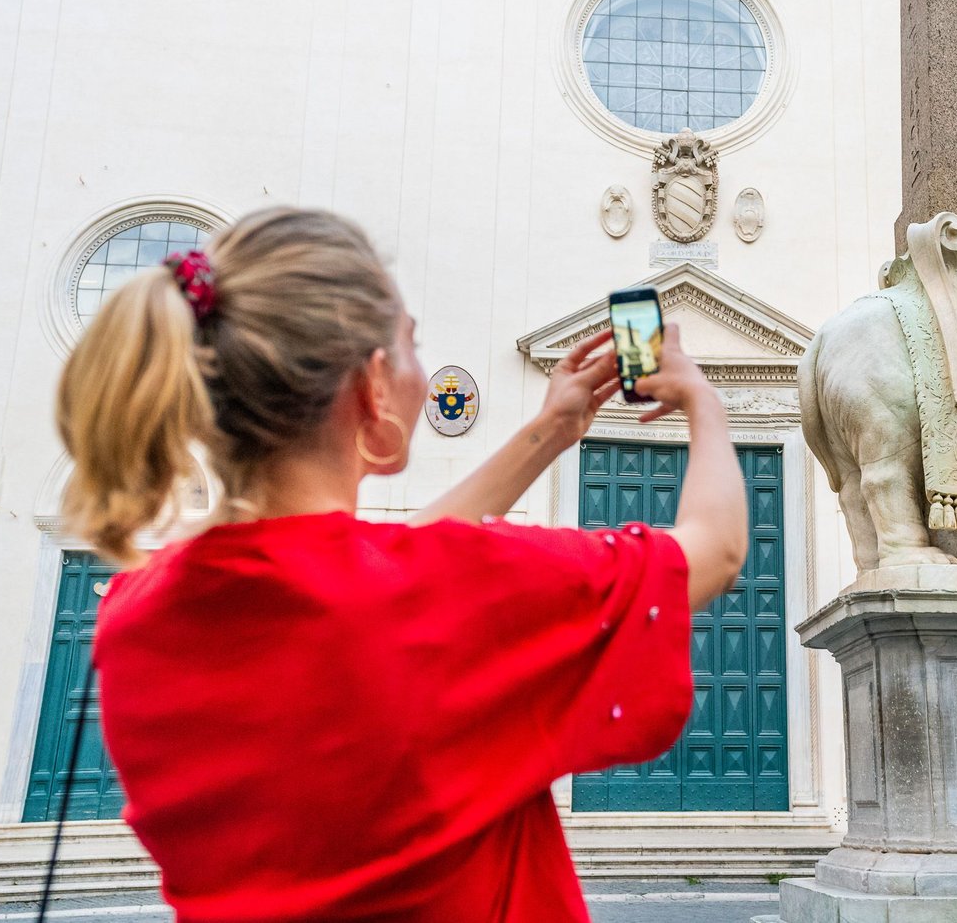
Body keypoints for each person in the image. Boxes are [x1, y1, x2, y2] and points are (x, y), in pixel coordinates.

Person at [55, 207, 748, 922]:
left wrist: (549, 432)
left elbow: (371, 579)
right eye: (412, 343)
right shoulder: (453, 583)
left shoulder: (134, 615)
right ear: (374, 384)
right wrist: (704, 403)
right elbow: (714, 550)